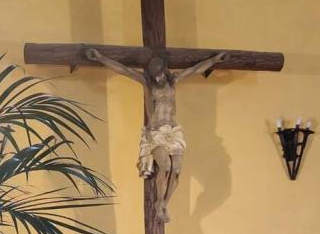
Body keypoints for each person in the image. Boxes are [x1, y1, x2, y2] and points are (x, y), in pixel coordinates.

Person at [83, 49, 227, 223]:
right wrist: (100, 57)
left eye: (159, 74)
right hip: (156, 133)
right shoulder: (146, 83)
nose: (157, 78)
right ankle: (159, 202)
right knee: (165, 166)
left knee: (177, 170)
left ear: (164, 71)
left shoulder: (174, 80)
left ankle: (165, 204)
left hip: (173, 132)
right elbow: (124, 69)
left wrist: (215, 59)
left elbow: (195, 69)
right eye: (154, 75)